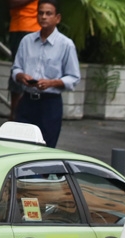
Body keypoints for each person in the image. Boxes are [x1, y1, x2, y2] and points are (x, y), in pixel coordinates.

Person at [10, 0, 80, 148]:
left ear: (57, 18)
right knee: (19, 146)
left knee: (46, 148)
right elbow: (16, 68)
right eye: (40, 13)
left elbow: (73, 77)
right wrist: (21, 76)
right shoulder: (27, 41)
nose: (44, 17)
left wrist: (51, 83)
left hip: (50, 103)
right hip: (27, 101)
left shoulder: (66, 44)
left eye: (48, 14)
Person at [7, 0, 41, 120]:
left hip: (38, 28)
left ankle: (28, 114)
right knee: (20, 70)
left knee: (35, 71)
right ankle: (15, 115)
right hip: (22, 26)